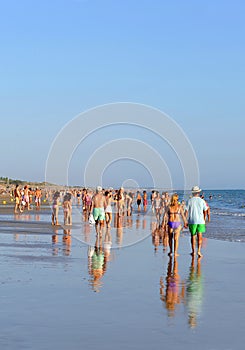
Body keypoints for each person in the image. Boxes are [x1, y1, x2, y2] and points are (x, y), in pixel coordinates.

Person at [186, 186, 208, 257]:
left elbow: (186, 211)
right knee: (200, 236)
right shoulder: (202, 201)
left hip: (192, 220)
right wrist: (204, 218)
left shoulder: (189, 200)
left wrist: (185, 220)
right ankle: (198, 250)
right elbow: (205, 210)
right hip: (200, 220)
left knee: (193, 236)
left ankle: (193, 251)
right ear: (198, 192)